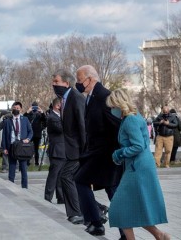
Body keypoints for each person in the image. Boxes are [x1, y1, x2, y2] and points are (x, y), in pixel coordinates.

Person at [106, 89, 170, 240]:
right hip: (139, 165)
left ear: (119, 104)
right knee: (135, 207)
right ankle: (159, 235)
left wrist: (119, 154)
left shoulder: (130, 120)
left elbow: (138, 146)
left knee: (118, 207)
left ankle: (157, 235)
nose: (111, 109)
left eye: (112, 106)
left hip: (138, 167)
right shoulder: (134, 116)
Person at [74, 65, 123, 237]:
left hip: (105, 153)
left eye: (79, 80)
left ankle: (96, 222)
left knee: (80, 180)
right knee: (112, 191)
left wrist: (116, 152)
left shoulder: (105, 96)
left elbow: (117, 125)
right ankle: (124, 231)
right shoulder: (91, 96)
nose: (78, 84)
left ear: (90, 79)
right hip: (96, 152)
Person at [52, 69, 85, 225]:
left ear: (66, 83)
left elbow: (82, 125)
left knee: (66, 176)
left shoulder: (75, 97)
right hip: (71, 149)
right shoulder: (64, 98)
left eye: (57, 81)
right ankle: (95, 210)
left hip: (78, 149)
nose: (54, 84)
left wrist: (85, 151)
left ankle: (77, 213)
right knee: (76, 180)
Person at [0, 102, 33, 188]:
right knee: (12, 166)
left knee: (23, 168)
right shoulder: (8, 121)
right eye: (14, 108)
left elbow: (30, 131)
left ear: (21, 109)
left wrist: (28, 139)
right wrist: (4, 148)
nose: (16, 109)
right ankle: (11, 185)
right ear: (12, 109)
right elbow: (4, 135)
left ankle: (25, 187)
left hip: (22, 146)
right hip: (11, 146)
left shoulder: (25, 119)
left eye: (18, 108)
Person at [44, 97, 65, 204]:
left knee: (61, 175)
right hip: (57, 150)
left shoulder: (58, 116)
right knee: (54, 175)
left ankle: (61, 197)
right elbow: (61, 129)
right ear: (58, 106)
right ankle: (48, 197)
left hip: (62, 150)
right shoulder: (52, 117)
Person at [24, 101, 47, 166]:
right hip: (29, 134)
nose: (34, 108)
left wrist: (42, 112)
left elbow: (45, 121)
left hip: (37, 134)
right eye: (33, 107)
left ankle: (36, 163)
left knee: (36, 149)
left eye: (36, 107)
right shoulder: (29, 114)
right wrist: (27, 111)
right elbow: (23, 119)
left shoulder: (40, 115)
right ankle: (27, 162)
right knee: (28, 148)